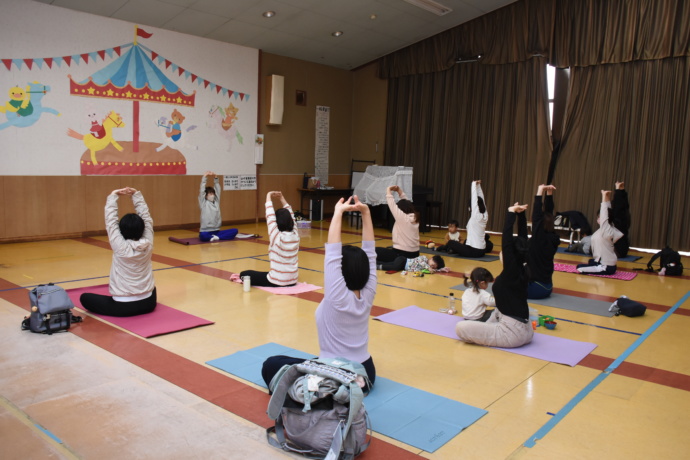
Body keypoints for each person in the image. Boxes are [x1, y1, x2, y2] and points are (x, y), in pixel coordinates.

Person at [261, 196, 377, 390]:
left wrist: (338, 212)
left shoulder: (337, 296)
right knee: (288, 360)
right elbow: (370, 252)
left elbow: (333, 253)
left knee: (271, 364)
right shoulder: (369, 291)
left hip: (340, 372)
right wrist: (366, 213)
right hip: (367, 372)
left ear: (342, 272)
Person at [455, 202, 534, 348]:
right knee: (497, 311)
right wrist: (521, 214)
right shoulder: (523, 267)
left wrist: (510, 213)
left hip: (511, 334)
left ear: (511, 255)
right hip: (527, 330)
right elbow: (523, 241)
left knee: (461, 327)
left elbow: (507, 242)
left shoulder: (512, 271)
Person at [80, 187, 157, 317]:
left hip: (123, 306)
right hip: (149, 303)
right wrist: (136, 195)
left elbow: (111, 222)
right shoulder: (148, 243)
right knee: (150, 287)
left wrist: (113, 195)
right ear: (142, 228)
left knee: (84, 298)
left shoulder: (120, 246)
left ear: (121, 231)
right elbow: (147, 218)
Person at [239, 191, 299, 287]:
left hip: (277, 281)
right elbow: (291, 216)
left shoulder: (276, 236)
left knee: (244, 274)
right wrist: (282, 198)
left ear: (277, 222)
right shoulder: (295, 235)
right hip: (293, 280)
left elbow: (270, 216)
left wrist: (268, 195)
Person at [576, 189, 623, 275]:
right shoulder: (608, 228)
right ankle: (597, 265)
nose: (598, 219)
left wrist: (603, 197)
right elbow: (609, 212)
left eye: (599, 217)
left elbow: (605, 213)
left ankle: (599, 267)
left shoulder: (606, 229)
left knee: (579, 268)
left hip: (606, 266)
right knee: (590, 261)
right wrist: (607, 197)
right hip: (605, 263)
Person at [526, 185, 560, 299]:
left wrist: (540, 191)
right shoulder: (552, 237)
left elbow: (537, 216)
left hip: (537, 288)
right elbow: (548, 213)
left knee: (505, 286)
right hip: (547, 287)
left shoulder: (538, 239)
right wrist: (549, 194)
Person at [445, 180, 493, 257]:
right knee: (466, 241)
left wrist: (473, 184)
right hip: (482, 250)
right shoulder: (485, 215)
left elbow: (475, 200)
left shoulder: (475, 215)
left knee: (451, 242)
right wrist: (478, 186)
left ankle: (450, 249)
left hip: (474, 251)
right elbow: (482, 200)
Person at [375, 185, 420, 265]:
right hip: (415, 254)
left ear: (401, 209)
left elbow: (392, 204)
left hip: (401, 254)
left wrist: (388, 190)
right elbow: (407, 202)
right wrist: (399, 191)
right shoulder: (415, 217)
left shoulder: (402, 217)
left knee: (374, 251)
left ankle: (382, 264)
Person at [198, 171, 238, 242]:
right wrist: (204, 177)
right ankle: (215, 237)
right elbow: (201, 191)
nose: (212, 195)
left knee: (235, 230)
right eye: (210, 194)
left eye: (213, 193)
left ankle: (216, 237)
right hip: (205, 231)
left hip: (216, 230)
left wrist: (216, 178)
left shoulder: (216, 202)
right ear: (206, 196)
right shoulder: (203, 203)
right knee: (203, 236)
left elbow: (218, 190)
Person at [611, 181, 631, 257]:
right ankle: (621, 191)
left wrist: (618, 189)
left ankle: (620, 191)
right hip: (622, 250)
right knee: (623, 210)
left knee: (619, 211)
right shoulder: (624, 218)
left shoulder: (618, 221)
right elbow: (625, 206)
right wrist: (622, 190)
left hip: (619, 250)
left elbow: (618, 207)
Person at [376, 253, 445, 273]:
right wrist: (429, 267)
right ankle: (379, 267)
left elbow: (433, 270)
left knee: (390, 264)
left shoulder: (428, 268)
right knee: (395, 267)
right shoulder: (424, 258)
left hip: (403, 266)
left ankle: (375, 263)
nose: (432, 266)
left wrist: (441, 269)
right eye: (433, 263)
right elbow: (420, 262)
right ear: (431, 258)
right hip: (403, 261)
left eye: (434, 266)